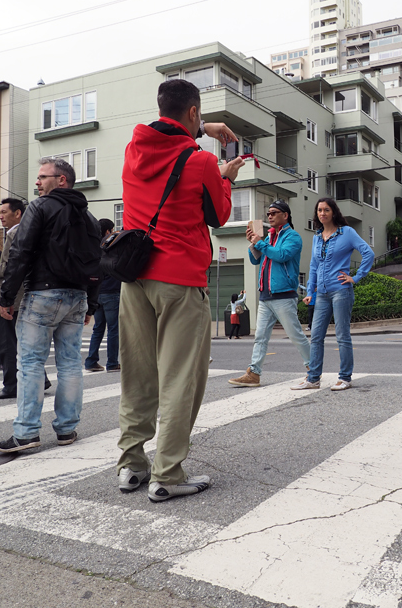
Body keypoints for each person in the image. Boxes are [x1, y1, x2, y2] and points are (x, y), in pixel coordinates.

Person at [117, 78, 242, 502]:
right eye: (199, 115)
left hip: (134, 280)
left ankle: (131, 465)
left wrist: (202, 127)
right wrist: (224, 175)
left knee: (137, 376)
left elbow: (165, 132)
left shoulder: (134, 149)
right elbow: (220, 215)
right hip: (180, 280)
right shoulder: (200, 162)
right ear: (193, 112)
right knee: (179, 379)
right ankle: (166, 474)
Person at [0, 158, 100, 453]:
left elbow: (21, 251)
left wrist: (7, 297)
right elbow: (97, 263)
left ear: (62, 180)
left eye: (42, 177)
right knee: (70, 365)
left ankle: (27, 432)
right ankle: (67, 429)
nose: (37, 182)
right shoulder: (89, 218)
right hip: (77, 297)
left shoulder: (40, 207)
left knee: (29, 364)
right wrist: (91, 304)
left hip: (43, 293)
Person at [293, 197, 373, 391]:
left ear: (334, 212)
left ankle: (345, 377)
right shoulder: (316, 237)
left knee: (342, 336)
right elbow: (313, 266)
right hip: (321, 294)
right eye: (319, 210)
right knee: (316, 336)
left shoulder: (347, 232)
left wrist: (355, 277)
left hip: (341, 291)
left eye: (326, 210)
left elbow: (368, 253)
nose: (322, 213)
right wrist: (311, 291)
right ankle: (313, 379)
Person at [228, 200, 310, 388]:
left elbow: (281, 255)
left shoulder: (293, 237)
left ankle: (313, 370)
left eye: (274, 213)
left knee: (296, 335)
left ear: (285, 215)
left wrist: (261, 243)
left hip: (284, 296)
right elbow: (256, 260)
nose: (270, 216)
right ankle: (254, 373)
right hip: (266, 296)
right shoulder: (269, 238)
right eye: (268, 214)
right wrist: (253, 244)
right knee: (260, 337)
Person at [0, 198, 51, 400]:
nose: (0, 216)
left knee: (7, 344)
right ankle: (42, 379)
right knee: (26, 343)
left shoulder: (15, 233)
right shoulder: (36, 231)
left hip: (10, 294)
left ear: (18, 213)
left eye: (4, 212)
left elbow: (9, 267)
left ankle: (11, 385)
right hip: (29, 292)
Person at [85, 218, 121, 372]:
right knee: (113, 329)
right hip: (112, 291)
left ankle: (91, 361)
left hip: (97, 293)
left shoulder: (93, 246)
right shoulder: (112, 247)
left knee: (98, 328)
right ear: (108, 231)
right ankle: (112, 362)